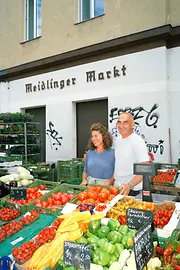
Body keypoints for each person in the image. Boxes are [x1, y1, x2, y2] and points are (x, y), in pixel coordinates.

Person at [114, 112, 149, 196]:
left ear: (132, 124)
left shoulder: (138, 142)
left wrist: (129, 185)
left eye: (125, 122)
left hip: (133, 190)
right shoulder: (117, 140)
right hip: (118, 188)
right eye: (119, 122)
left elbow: (144, 168)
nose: (121, 126)